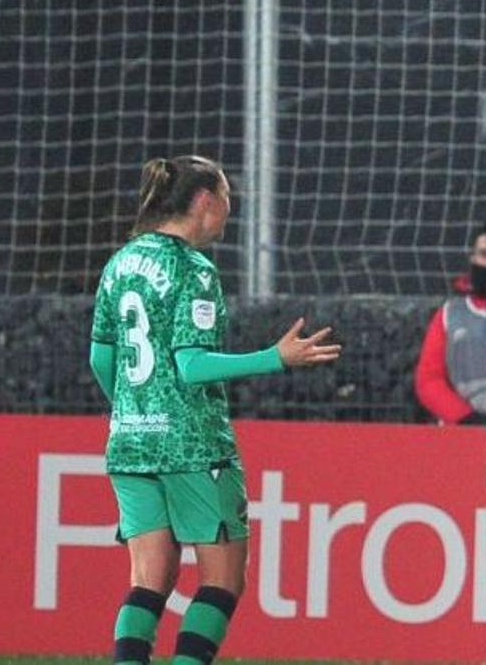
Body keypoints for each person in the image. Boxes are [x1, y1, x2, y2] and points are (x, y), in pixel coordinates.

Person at [89, 155, 342, 665]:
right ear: (204, 200)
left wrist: (136, 411)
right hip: (193, 447)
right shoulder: (194, 269)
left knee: (149, 580)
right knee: (222, 580)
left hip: (130, 440)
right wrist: (277, 357)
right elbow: (192, 365)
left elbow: (101, 357)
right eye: (228, 197)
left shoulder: (122, 261)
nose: (231, 209)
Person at [414, 222, 486, 425]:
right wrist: (463, 417)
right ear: (473, 258)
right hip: (458, 430)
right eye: (484, 254)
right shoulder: (449, 313)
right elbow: (429, 379)